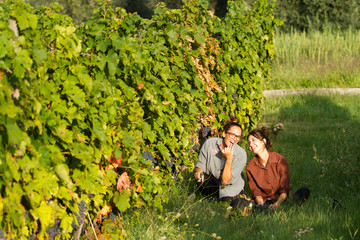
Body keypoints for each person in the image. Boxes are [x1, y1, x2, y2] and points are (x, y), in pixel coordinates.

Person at [194, 117, 249, 208]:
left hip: (229, 186)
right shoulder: (210, 143)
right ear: (224, 133)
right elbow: (201, 164)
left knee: (229, 202)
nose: (234, 139)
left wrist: (229, 159)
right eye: (232, 135)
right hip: (213, 181)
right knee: (202, 181)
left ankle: (241, 201)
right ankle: (212, 199)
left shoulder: (241, 154)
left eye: (237, 137)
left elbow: (225, 181)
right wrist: (198, 171)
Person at [246, 127, 290, 210]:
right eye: (249, 142)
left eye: (253, 140)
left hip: (280, 199)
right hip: (264, 200)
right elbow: (256, 192)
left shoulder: (280, 160)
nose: (251, 144)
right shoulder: (250, 166)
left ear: (263, 142)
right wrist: (260, 205)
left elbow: (284, 189)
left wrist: (276, 204)